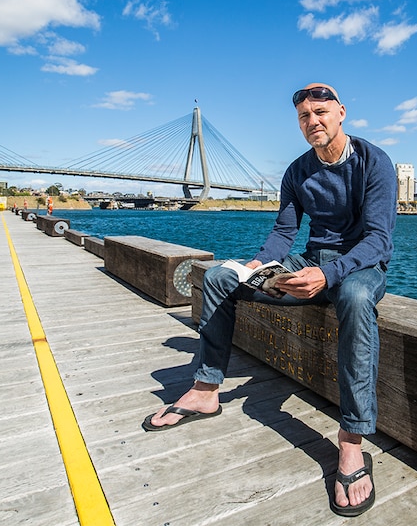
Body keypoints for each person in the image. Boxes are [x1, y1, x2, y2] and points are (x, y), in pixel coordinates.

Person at [142, 83, 397, 517]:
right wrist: (255, 267)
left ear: (341, 113)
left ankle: (352, 442)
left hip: (358, 267)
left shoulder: (376, 162)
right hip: (310, 259)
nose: (312, 121)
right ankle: (206, 390)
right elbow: (283, 234)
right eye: (303, 116)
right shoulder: (297, 171)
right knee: (222, 276)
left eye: (320, 112)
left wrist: (328, 273)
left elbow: (378, 240)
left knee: (354, 300)